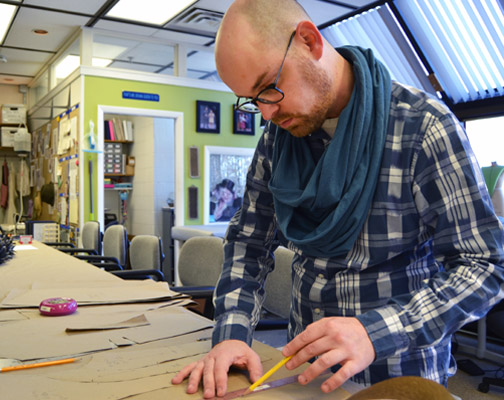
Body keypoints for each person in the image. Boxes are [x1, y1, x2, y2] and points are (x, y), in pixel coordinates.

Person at [172, 0, 504, 398]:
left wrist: (374, 331)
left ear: (310, 41)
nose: (266, 112)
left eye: (269, 87)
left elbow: (485, 266)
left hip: (401, 378)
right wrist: (231, 335)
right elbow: (248, 241)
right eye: (251, 99)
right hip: (306, 377)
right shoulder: (278, 139)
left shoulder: (423, 128)